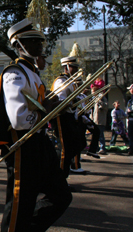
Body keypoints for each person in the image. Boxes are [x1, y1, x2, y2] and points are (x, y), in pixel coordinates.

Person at [0, 17, 71, 231]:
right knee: (19, 205)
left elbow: (39, 109)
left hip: (40, 143)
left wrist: (49, 107)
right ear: (18, 45)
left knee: (61, 196)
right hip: (22, 146)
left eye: (39, 41)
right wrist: (45, 109)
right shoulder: (14, 74)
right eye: (33, 41)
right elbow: (19, 120)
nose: (39, 45)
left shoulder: (33, 74)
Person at [51, 49, 85, 178]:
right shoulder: (61, 81)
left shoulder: (70, 81)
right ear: (66, 67)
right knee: (64, 150)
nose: (76, 70)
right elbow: (60, 99)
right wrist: (70, 102)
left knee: (75, 146)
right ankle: (59, 179)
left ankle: (62, 178)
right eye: (73, 67)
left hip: (70, 117)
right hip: (62, 117)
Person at [91, 86, 109, 154]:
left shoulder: (102, 98)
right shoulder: (94, 99)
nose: (92, 93)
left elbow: (106, 106)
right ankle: (96, 147)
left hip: (100, 120)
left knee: (100, 134)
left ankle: (102, 148)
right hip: (95, 119)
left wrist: (100, 101)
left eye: (93, 92)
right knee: (96, 135)